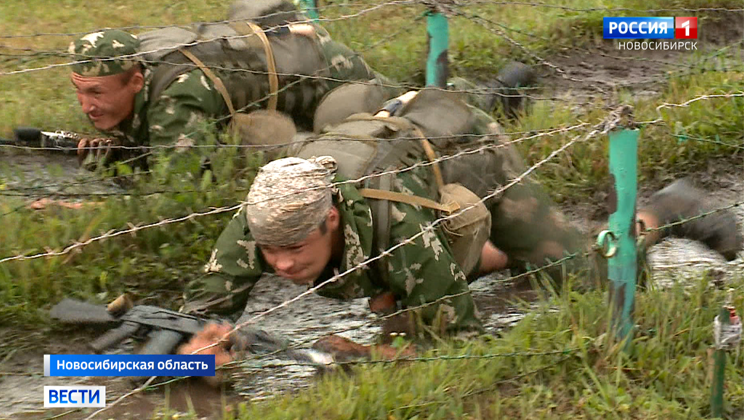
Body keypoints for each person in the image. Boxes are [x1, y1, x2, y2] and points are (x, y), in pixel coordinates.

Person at [177, 85, 742, 365]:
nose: (279, 265)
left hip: (468, 152)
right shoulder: (266, 217)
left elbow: (456, 339)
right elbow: (198, 316)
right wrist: (197, 345)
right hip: (397, 174)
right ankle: (488, 258)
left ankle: (664, 210)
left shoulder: (396, 223)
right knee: (400, 292)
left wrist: (371, 352)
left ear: (330, 218)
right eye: (268, 251)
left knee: (585, 277)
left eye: (294, 249)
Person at [67, 0, 391, 173]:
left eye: (96, 92)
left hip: (331, 74)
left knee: (357, 142)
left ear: (136, 81)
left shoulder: (175, 99)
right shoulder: (138, 63)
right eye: (79, 91)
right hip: (296, 60)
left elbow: (178, 186)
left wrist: (111, 165)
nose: (85, 106)